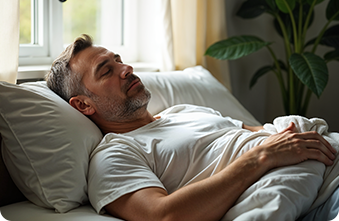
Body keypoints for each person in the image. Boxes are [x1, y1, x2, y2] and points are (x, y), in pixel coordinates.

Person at [46, 34, 337, 221]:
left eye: (118, 60)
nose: (126, 69)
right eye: (107, 71)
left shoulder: (183, 111)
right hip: (312, 199)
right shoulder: (115, 155)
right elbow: (163, 216)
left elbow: (263, 133)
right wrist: (261, 157)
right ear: (83, 105)